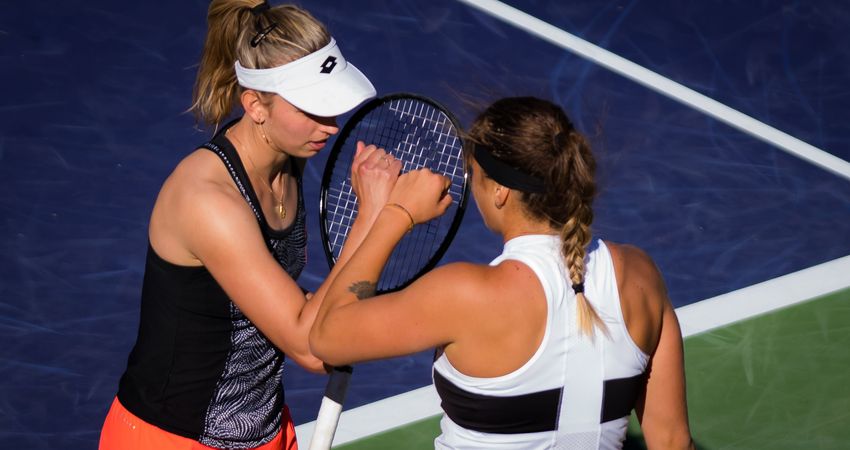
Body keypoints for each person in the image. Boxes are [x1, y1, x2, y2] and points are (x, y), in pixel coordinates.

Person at [98, 1, 402, 449]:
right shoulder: (209, 202)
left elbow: (282, 310)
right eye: (313, 110)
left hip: (265, 430)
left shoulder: (288, 164)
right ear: (256, 106)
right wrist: (376, 218)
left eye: (332, 107)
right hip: (170, 440)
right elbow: (311, 346)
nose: (332, 126)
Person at [310, 96, 696, 449]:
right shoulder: (639, 275)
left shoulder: (464, 295)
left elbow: (327, 336)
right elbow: (673, 441)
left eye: (473, 171)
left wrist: (394, 213)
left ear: (500, 192)